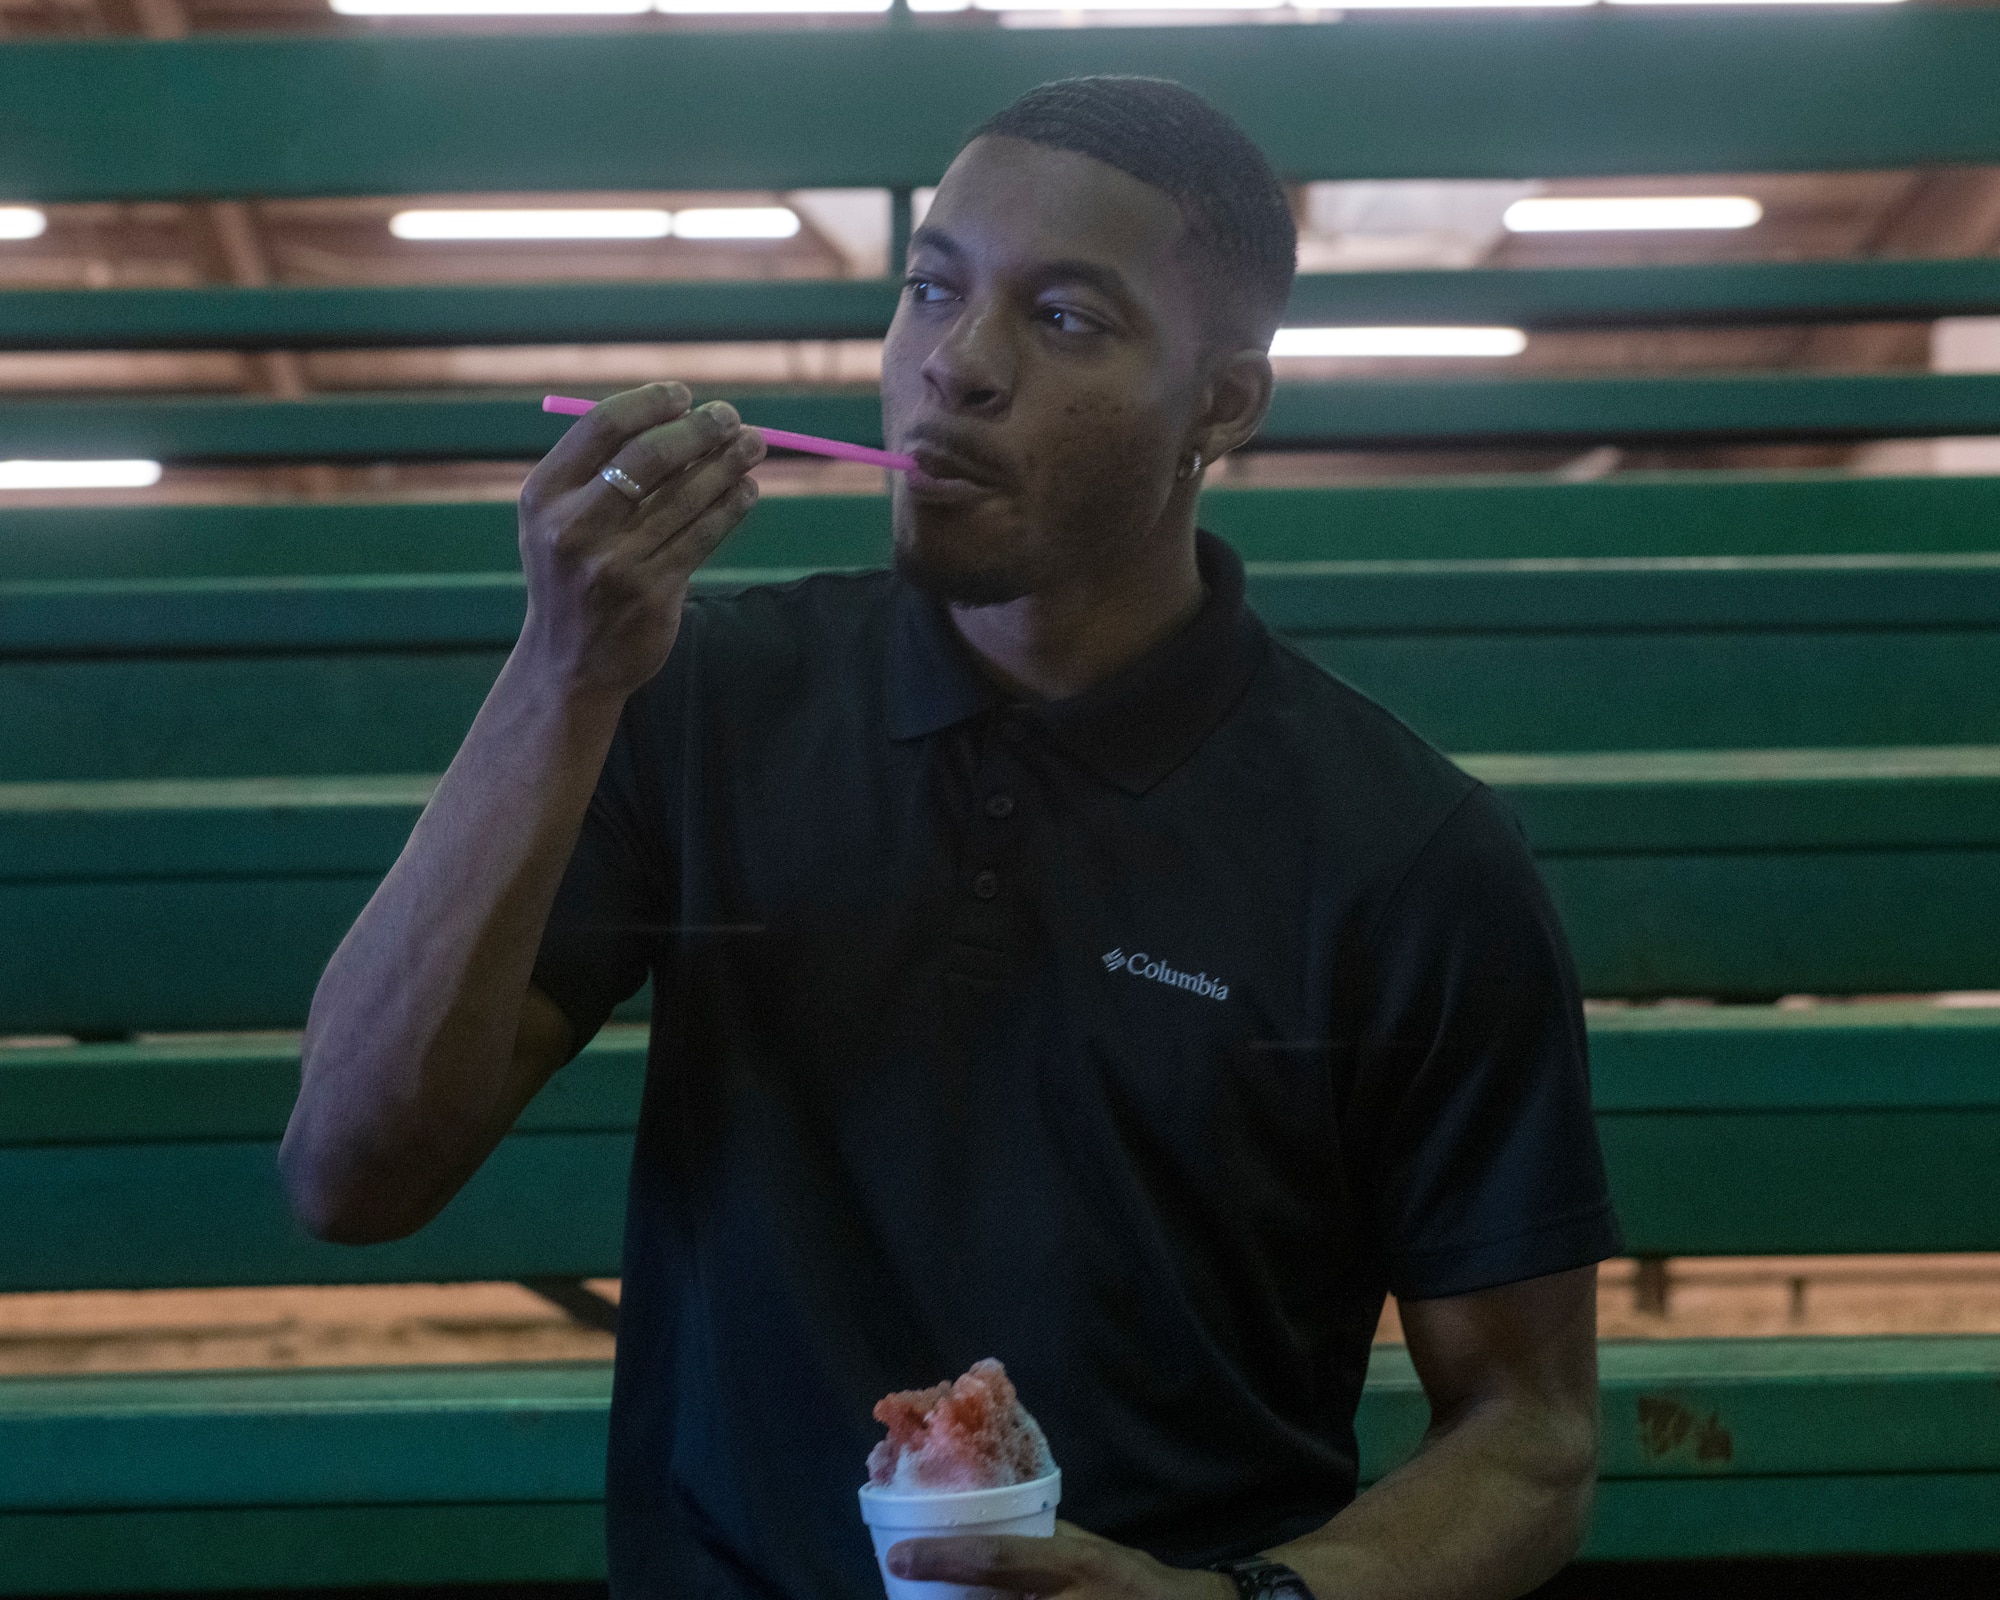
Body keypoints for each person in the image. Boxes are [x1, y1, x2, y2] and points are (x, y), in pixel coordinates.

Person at [282, 75, 1620, 1600]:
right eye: (932, 289)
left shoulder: (1406, 853)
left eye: (1064, 319)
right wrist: (560, 676)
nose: (955, 367)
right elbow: (350, 1172)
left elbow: (1531, 1433)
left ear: (1225, 403)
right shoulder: (694, 703)